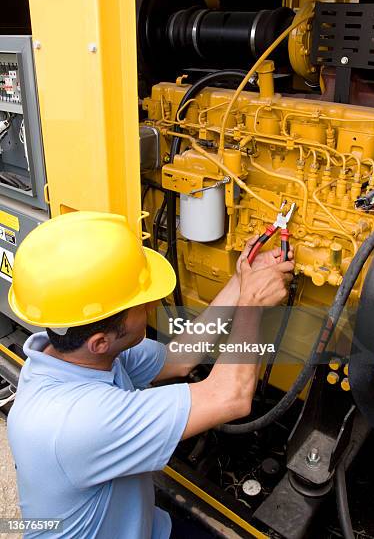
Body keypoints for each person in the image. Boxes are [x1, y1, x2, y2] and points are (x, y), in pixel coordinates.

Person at [7, 211, 294, 538]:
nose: (152, 303)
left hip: (142, 524)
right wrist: (251, 304)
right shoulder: (79, 421)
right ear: (99, 341)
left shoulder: (70, 357)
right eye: (140, 303)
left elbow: (183, 356)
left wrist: (242, 280)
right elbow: (231, 397)